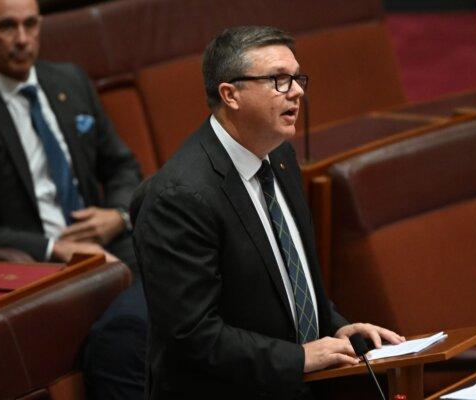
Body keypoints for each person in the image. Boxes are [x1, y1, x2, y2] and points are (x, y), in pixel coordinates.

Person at [133, 25, 405, 400]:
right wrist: (297, 357)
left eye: (297, 78)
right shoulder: (180, 197)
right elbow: (192, 336)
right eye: (279, 80)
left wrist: (335, 330)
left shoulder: (278, 156)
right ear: (231, 94)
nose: (297, 91)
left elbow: (291, 283)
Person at [0, 1, 146, 399]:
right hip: (40, 268)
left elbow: (123, 165)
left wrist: (116, 215)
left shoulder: (69, 81)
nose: (23, 39)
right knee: (131, 332)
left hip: (110, 243)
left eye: (31, 25)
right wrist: (55, 247)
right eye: (8, 27)